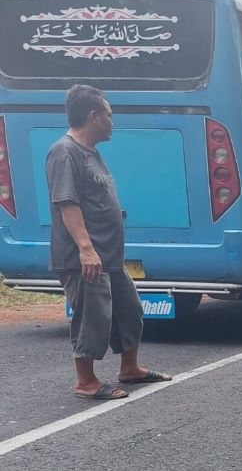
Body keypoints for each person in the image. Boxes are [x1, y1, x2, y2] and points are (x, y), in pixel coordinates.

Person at [46, 85, 171, 400]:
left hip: (109, 255)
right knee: (93, 316)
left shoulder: (91, 152)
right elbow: (67, 204)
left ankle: (130, 368)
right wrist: (86, 249)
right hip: (84, 256)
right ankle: (85, 381)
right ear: (93, 117)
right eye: (109, 116)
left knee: (130, 310)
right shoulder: (65, 151)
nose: (112, 122)